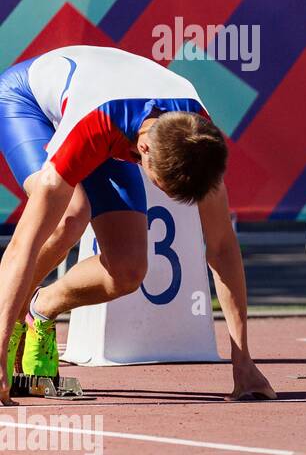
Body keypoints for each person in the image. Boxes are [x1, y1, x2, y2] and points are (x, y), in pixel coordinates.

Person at [0, 45, 274, 405]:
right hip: (29, 102)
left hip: (111, 115)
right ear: (142, 150)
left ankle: (41, 309)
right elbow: (24, 245)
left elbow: (221, 248)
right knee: (69, 216)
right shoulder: (95, 125)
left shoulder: (197, 139)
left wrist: (243, 361)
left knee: (128, 271)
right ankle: (8, 325)